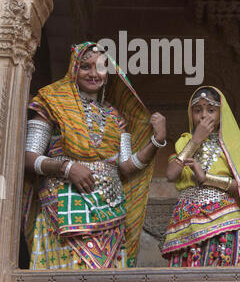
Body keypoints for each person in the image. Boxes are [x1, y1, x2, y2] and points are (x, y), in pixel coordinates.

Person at [22, 41, 167, 269]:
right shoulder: (52, 103)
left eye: (99, 67)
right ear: (73, 69)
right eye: (85, 66)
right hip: (64, 210)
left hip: (111, 211)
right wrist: (67, 169)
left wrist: (156, 141)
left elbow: (127, 166)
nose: (93, 73)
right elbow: (28, 158)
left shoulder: (115, 117)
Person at [161, 86, 240, 267]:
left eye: (211, 110)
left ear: (220, 113)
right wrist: (195, 141)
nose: (203, 116)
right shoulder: (184, 141)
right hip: (185, 225)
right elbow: (171, 174)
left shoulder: (231, 145)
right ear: (190, 113)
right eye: (197, 110)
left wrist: (206, 178)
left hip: (225, 224)